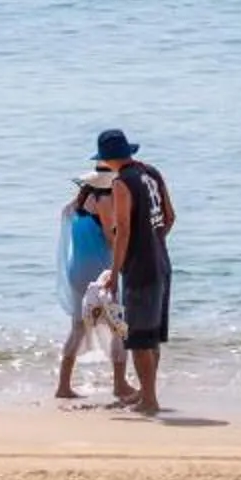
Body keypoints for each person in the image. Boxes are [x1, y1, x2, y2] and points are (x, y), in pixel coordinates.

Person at [92, 127, 173, 415]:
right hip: (162, 262)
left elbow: (123, 229)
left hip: (140, 269)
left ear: (107, 159)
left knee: (139, 338)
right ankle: (146, 394)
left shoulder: (122, 183)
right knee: (151, 335)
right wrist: (154, 241)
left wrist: (115, 272)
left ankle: (149, 400)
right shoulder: (151, 172)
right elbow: (170, 216)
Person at [55, 171, 129, 402]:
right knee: (119, 326)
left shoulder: (76, 203)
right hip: (99, 271)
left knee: (77, 328)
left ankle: (63, 386)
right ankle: (119, 385)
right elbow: (110, 238)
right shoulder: (105, 201)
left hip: (77, 271)